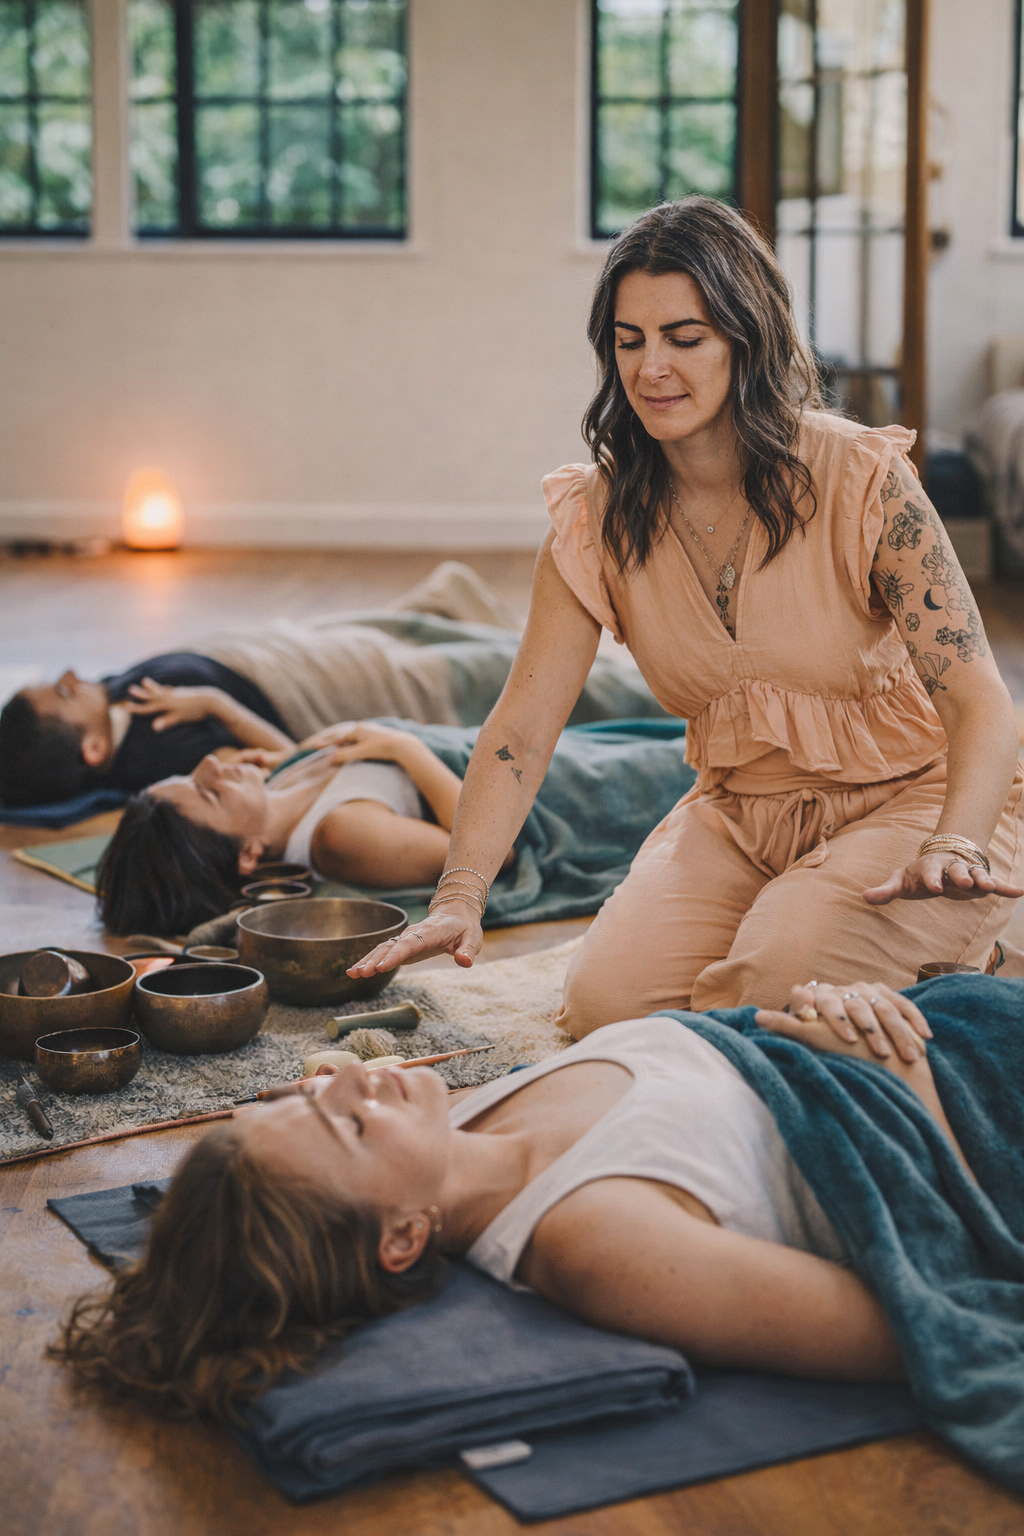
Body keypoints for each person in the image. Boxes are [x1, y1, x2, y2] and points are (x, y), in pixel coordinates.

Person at [347, 197, 1024, 1032]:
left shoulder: (861, 477)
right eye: (629, 341)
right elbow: (522, 725)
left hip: (914, 800)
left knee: (773, 985)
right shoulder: (596, 519)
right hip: (742, 811)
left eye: (685, 337)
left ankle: (979, 954)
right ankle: (828, 925)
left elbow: (977, 698)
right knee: (606, 1008)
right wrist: (460, 894)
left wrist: (954, 843)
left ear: (749, 339)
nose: (651, 368)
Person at [47, 978, 986, 1424]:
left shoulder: (459, 1114)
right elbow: (938, 1324)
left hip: (944, 1018)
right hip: (966, 1103)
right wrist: (908, 1085)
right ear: (404, 1240)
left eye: (302, 1097)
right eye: (349, 1129)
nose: (345, 1084)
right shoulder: (596, 1243)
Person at [0, 564, 666, 809]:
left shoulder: (115, 693)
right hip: (333, 685)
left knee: (444, 601)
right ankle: (674, 694)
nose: (68, 677)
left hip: (310, 645)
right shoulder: (160, 753)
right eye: (62, 695)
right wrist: (217, 706)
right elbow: (296, 762)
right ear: (92, 751)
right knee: (525, 671)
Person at [95, 716, 694, 937]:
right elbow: (495, 855)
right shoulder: (343, 838)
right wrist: (406, 750)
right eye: (206, 790)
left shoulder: (274, 786)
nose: (210, 764)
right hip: (562, 796)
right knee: (706, 763)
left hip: (525, 746)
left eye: (191, 772)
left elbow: (320, 761)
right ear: (249, 856)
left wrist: (222, 710)